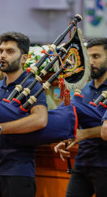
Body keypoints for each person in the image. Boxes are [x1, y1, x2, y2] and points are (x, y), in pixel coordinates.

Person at [0, 32, 48, 197]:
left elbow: (40, 120)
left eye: (10, 51)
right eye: (1, 51)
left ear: (24, 58)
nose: (3, 55)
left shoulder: (32, 85)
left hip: (17, 171)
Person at [54, 37, 107, 197]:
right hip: (82, 162)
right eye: (88, 57)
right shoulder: (80, 89)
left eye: (96, 56)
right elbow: (63, 116)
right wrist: (65, 138)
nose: (90, 62)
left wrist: (84, 134)